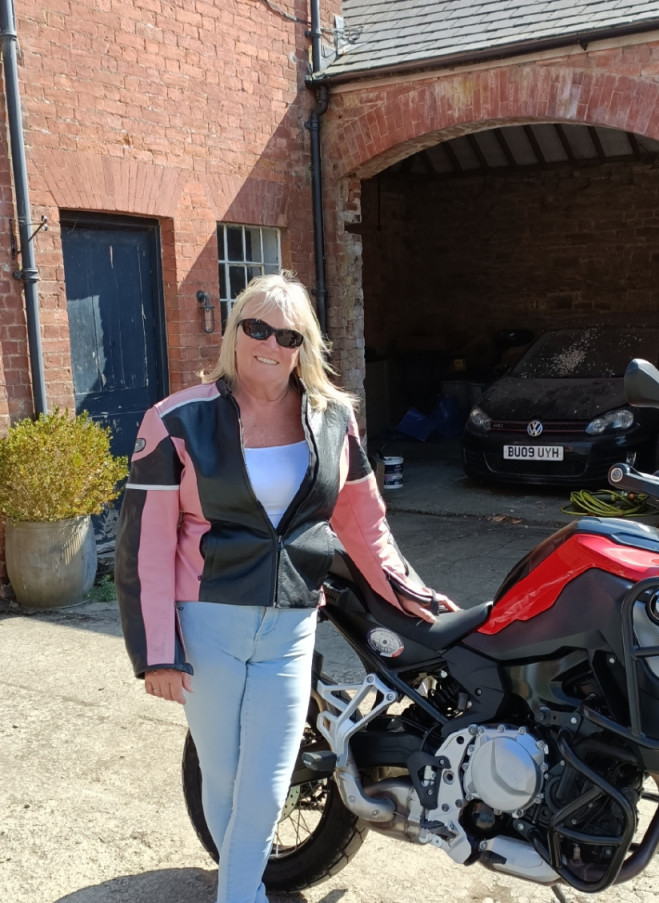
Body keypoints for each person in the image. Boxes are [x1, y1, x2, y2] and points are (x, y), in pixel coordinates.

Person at [115, 272, 455, 903]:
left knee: (269, 783)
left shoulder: (334, 420)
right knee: (223, 778)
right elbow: (145, 548)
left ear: (304, 347)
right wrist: (157, 653)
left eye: (288, 335)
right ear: (235, 332)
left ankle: (238, 894)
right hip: (207, 624)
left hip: (291, 627)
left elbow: (366, 529)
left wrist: (418, 598)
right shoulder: (175, 421)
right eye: (257, 327)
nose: (270, 344)